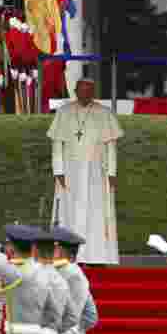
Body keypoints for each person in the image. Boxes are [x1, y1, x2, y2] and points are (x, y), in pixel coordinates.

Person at [48, 76, 124, 265]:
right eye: (82, 90)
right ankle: (68, 255)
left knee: (95, 215)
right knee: (69, 213)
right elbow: (57, 144)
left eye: (89, 90)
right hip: (69, 171)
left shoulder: (104, 113)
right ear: (75, 91)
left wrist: (112, 173)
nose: (85, 93)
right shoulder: (63, 112)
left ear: (94, 93)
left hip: (96, 172)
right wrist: (58, 170)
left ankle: (95, 256)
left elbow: (111, 146)